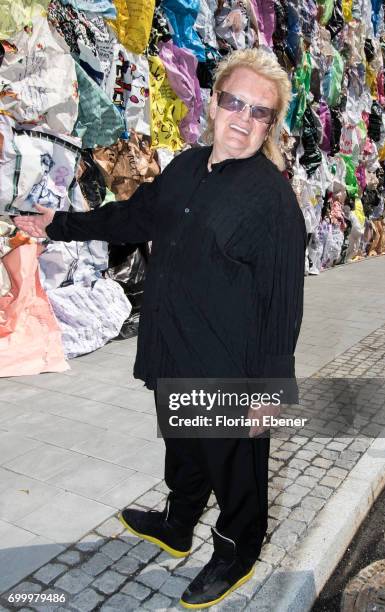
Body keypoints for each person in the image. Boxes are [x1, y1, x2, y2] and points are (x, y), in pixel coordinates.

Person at [14, 48, 306, 609]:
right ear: (214, 102)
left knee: (234, 464)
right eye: (235, 102)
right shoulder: (185, 168)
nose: (243, 118)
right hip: (173, 344)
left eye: (260, 111)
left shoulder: (272, 202)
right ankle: (178, 522)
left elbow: (283, 303)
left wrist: (271, 389)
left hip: (229, 367)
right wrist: (62, 223)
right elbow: (134, 216)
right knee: (183, 446)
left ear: (272, 123)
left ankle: (237, 549)